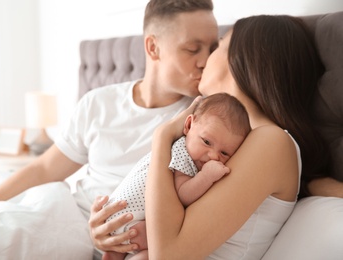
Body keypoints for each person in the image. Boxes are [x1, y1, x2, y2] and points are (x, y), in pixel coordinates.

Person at [0, 0, 218, 258]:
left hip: (94, 235)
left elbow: (190, 208)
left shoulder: (201, 125)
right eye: (193, 49)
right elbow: (44, 168)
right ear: (153, 47)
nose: (205, 61)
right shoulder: (99, 102)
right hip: (61, 209)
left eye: (213, 48)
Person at [89, 15, 330, 259]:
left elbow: (167, 255)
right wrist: (114, 233)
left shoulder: (272, 142)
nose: (203, 61)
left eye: (217, 46)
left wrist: (161, 139)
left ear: (239, 61)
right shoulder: (236, 140)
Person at [104, 93, 251, 260]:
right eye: (207, 142)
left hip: (119, 218)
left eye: (224, 153)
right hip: (130, 220)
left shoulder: (187, 148)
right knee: (153, 249)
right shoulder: (181, 153)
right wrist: (206, 177)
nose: (213, 156)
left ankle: (115, 255)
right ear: (188, 125)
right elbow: (182, 194)